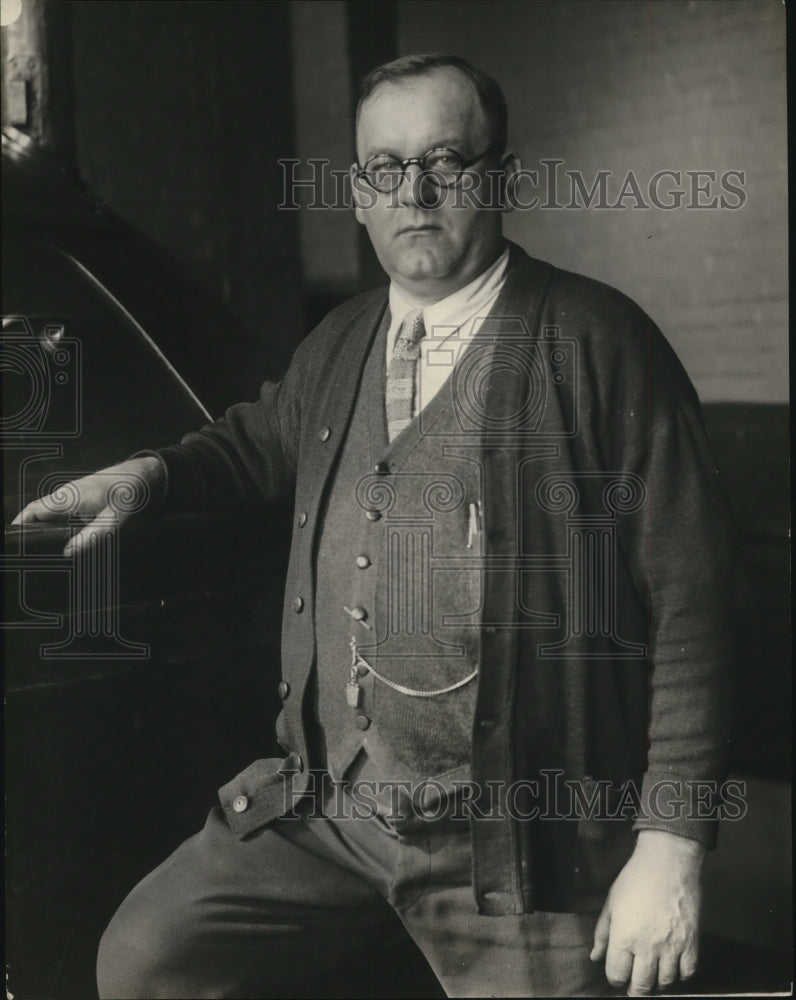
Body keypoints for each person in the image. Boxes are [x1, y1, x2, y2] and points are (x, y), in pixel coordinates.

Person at [14, 54, 735, 998]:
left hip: (518, 833)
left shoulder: (600, 344)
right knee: (149, 962)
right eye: (385, 168)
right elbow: (259, 440)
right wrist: (147, 477)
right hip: (336, 808)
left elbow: (697, 607)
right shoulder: (345, 341)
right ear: (358, 194)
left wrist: (670, 845)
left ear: (503, 178)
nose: (417, 190)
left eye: (447, 159)